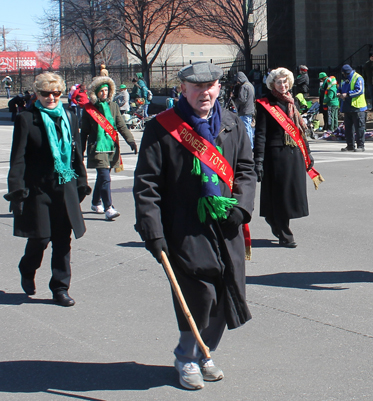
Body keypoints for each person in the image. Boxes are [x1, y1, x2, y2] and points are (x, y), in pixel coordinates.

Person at [134, 61, 256, 390]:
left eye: (210, 86)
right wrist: (153, 231)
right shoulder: (162, 127)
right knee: (199, 293)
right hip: (184, 225)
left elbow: (246, 169)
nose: (204, 92)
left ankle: (205, 352)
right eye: (197, 87)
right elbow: (147, 184)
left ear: (219, 88)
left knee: (226, 291)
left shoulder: (231, 123)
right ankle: (185, 355)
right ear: (183, 89)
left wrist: (242, 207)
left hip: (226, 223)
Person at [4, 72, 91, 306]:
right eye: (45, 93)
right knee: (41, 237)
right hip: (38, 188)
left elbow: (76, 154)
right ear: (37, 94)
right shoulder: (26, 118)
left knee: (63, 240)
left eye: (56, 93)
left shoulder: (70, 116)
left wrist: (81, 181)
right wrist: (16, 190)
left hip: (65, 186)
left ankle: (60, 288)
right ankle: (27, 267)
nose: (51, 97)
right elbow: (18, 158)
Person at [254, 67, 322, 248]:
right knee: (280, 195)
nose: (283, 85)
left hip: (295, 153)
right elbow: (260, 134)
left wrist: (308, 153)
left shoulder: (293, 102)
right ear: (272, 84)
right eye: (279, 82)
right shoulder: (265, 103)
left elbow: (300, 131)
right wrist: (258, 161)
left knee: (292, 194)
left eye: (285, 81)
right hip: (276, 154)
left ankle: (274, 219)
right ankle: (284, 232)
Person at [81, 75, 137, 221]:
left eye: (106, 90)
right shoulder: (89, 109)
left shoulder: (113, 106)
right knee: (105, 177)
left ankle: (95, 202)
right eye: (101, 90)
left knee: (102, 178)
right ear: (96, 92)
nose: (104, 93)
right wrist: (79, 151)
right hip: (97, 147)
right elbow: (84, 132)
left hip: (111, 146)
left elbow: (121, 126)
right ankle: (109, 208)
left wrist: (131, 141)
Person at [338, 64, 368, 151]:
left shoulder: (358, 78)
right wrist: (338, 93)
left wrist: (347, 94)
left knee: (359, 127)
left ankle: (360, 146)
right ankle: (350, 146)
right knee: (348, 128)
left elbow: (359, 90)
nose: (344, 75)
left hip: (357, 107)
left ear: (347, 73)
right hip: (347, 106)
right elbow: (340, 88)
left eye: (344, 74)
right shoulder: (344, 79)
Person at [232, 71, 255, 147]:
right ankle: (250, 145)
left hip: (244, 110)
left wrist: (235, 99)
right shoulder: (250, 85)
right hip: (250, 110)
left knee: (246, 129)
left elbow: (242, 100)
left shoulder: (244, 87)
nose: (237, 82)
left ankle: (248, 146)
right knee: (249, 128)